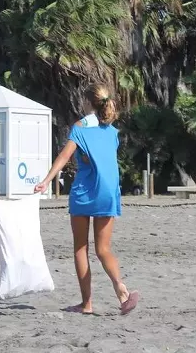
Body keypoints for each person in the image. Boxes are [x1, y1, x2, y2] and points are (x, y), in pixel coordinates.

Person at [34, 84, 139, 315]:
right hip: (108, 191)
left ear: (89, 102)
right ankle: (121, 290)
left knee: (80, 248)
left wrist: (47, 180)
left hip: (84, 192)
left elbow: (64, 156)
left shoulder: (80, 127)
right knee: (103, 249)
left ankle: (86, 304)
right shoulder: (112, 131)